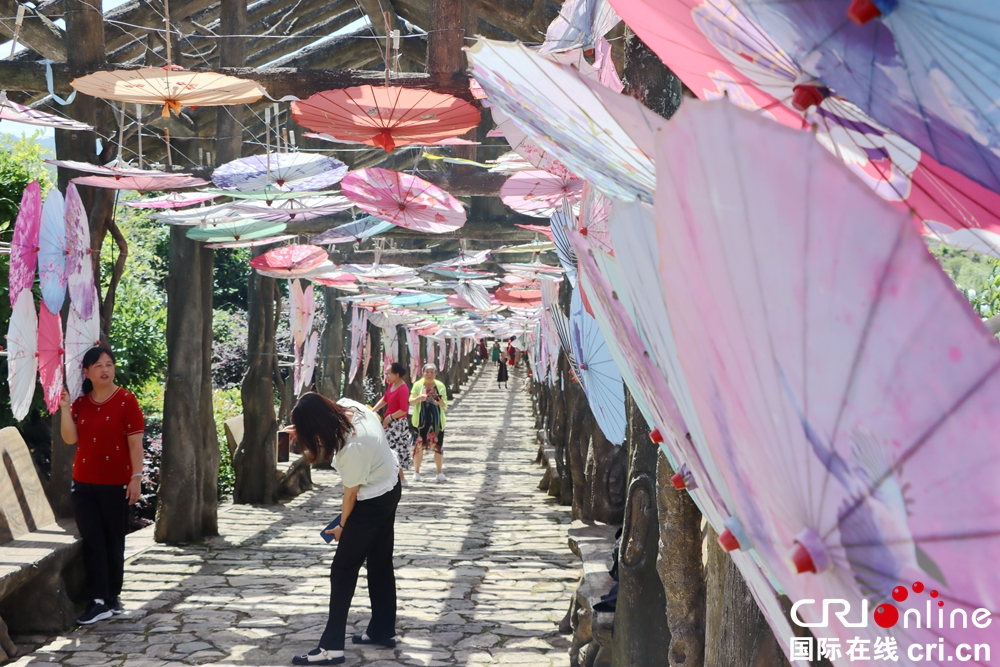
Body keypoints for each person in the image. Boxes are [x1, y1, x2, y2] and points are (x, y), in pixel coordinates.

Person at [288, 393, 401, 666]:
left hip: (372, 501)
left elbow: (351, 495)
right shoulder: (351, 405)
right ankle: (382, 631)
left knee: (342, 570)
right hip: (389, 485)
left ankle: (331, 649)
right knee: (380, 562)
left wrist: (341, 526)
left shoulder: (354, 448)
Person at [58, 345, 144, 626]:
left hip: (116, 483)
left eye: (109, 364)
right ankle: (98, 600)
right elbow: (71, 439)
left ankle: (111, 596)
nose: (105, 369)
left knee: (113, 540)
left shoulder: (126, 401)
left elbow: (135, 443)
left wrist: (136, 478)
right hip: (83, 484)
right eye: (98, 365)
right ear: (86, 372)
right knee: (93, 540)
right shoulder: (81, 403)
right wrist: (65, 408)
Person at [371, 362, 411, 488]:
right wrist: (373, 410)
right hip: (389, 422)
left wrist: (390, 417)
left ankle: (401, 479)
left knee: (394, 451)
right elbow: (385, 399)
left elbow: (404, 409)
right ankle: (395, 478)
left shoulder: (403, 389)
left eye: (388, 373)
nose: (386, 376)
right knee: (388, 450)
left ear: (397, 374)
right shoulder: (391, 385)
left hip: (397, 424)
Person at [409, 364, 448, 483]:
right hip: (421, 422)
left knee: (438, 447)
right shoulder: (417, 385)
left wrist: (440, 402)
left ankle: (439, 472)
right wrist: (419, 398)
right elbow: (411, 401)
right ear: (422, 373)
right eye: (427, 372)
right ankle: (416, 472)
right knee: (418, 447)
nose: (429, 374)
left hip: (436, 422)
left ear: (436, 374)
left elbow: (445, 404)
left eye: (432, 372)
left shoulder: (440, 386)